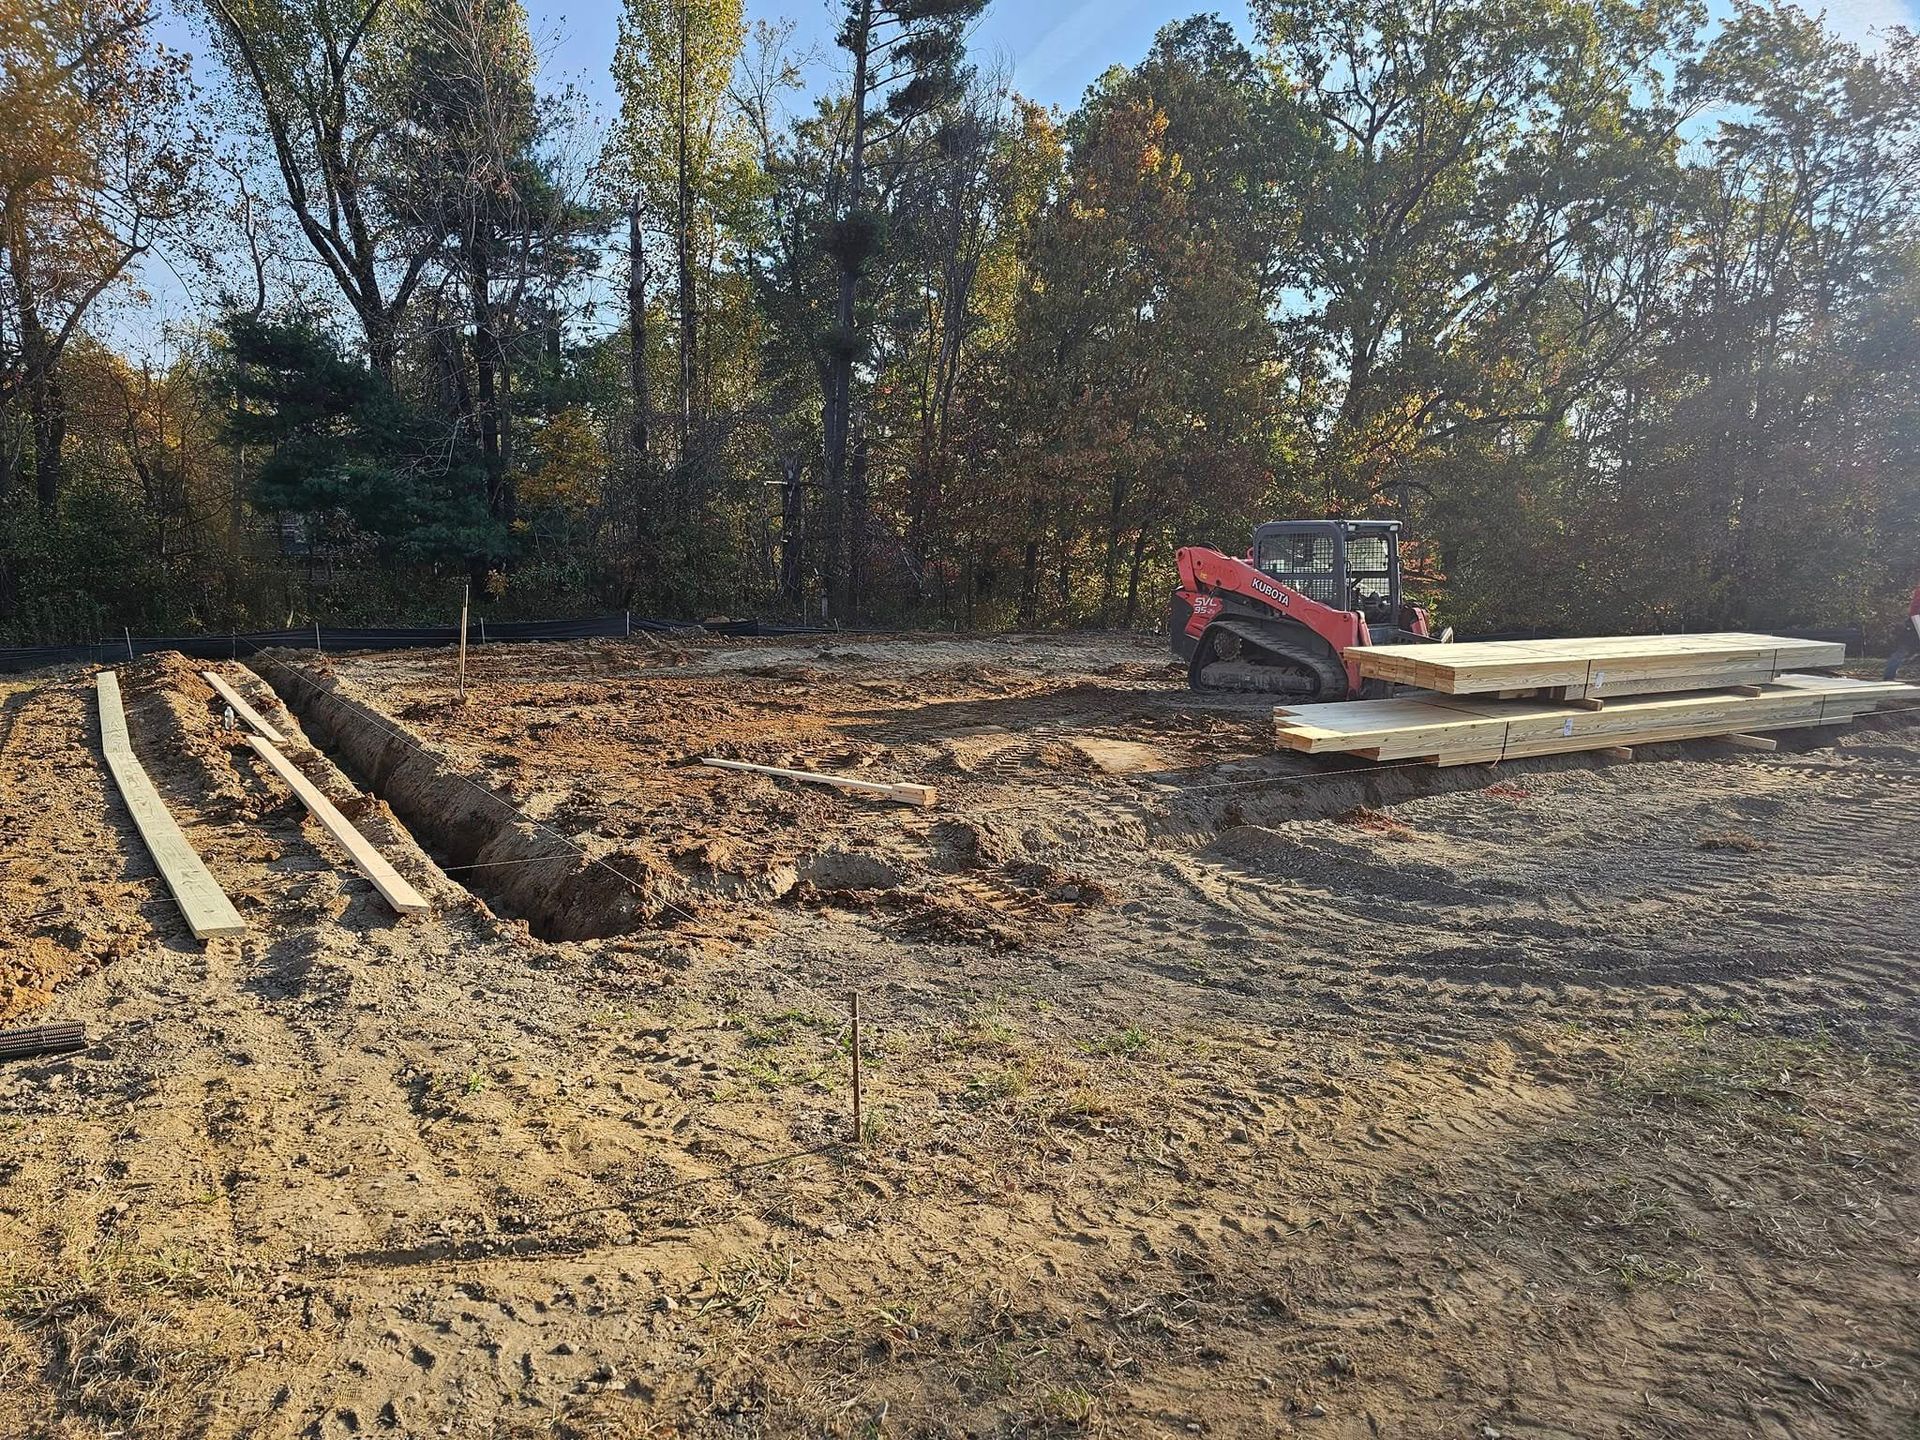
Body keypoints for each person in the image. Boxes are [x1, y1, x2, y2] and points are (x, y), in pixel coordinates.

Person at [1887, 580, 1920, 680]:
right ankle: (1889, 676)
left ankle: (1889, 676)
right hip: (1915, 622)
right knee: (1903, 650)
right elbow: (1914, 610)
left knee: (1902, 650)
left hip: (1914, 621)